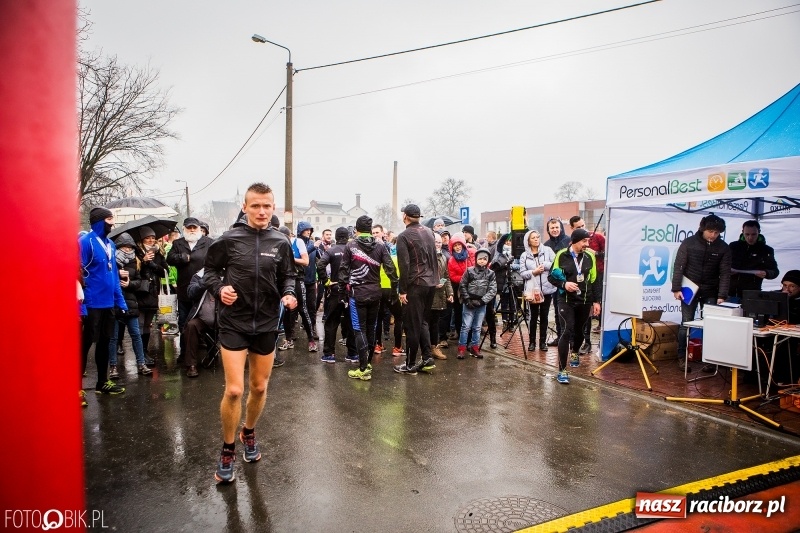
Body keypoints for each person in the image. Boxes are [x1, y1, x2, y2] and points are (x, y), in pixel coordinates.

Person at [203, 182, 297, 484]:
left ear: (273, 208)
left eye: (266, 205)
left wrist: (289, 293)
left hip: (267, 323)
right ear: (245, 207)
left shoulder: (280, 241)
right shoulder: (229, 240)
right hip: (234, 322)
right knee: (234, 390)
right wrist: (220, 290)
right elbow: (209, 273)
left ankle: (249, 431)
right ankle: (228, 448)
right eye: (255, 205)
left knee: (258, 387)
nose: (261, 211)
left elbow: (288, 275)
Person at [339, 215, 398, 380]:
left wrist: (342, 293)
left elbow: (343, 271)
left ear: (356, 230)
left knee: (359, 330)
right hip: (375, 293)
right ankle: (367, 362)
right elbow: (391, 269)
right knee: (371, 328)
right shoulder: (380, 245)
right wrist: (394, 291)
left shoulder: (351, 245)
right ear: (370, 230)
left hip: (357, 295)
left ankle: (363, 368)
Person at [671, 214, 731, 372]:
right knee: (686, 323)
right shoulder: (689, 243)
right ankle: (682, 357)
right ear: (702, 229)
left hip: (711, 289)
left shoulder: (724, 248)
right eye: (710, 231)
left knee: (711, 326)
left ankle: (711, 360)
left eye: (717, 233)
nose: (713, 235)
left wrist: (721, 295)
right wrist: (676, 288)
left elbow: (725, 273)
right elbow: (679, 267)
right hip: (689, 288)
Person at [79, 207, 127, 396]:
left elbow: (114, 276)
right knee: (85, 343)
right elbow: (77, 274)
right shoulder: (85, 242)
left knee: (106, 343)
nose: (112, 223)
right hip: (91, 303)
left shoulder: (111, 245)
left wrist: (120, 302)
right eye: (108, 219)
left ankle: (102, 382)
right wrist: (80, 305)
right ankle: (77, 388)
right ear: (99, 222)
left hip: (108, 303)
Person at [548, 228, 601, 384]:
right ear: (574, 241)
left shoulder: (590, 256)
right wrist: (564, 284)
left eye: (588, 241)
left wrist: (596, 301)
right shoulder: (562, 255)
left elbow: (594, 281)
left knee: (579, 331)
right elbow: (552, 277)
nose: (587, 244)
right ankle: (562, 370)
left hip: (584, 299)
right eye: (584, 241)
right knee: (566, 330)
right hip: (566, 300)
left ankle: (575, 351)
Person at [394, 204, 439, 374]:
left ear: (405, 216)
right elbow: (434, 257)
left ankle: (410, 364)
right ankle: (427, 358)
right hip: (430, 283)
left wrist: (402, 290)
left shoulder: (404, 236)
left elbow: (404, 265)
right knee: (423, 322)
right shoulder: (429, 232)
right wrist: (435, 279)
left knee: (412, 325)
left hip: (416, 284)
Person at [108, 232, 152, 378]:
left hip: (131, 303)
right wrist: (116, 275)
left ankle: (141, 364)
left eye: (129, 247)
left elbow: (139, 281)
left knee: (136, 335)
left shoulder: (136, 261)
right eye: (124, 247)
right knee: (113, 337)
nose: (127, 250)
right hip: (114, 303)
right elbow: (106, 281)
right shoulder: (110, 261)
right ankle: (113, 367)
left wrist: (129, 283)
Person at [167, 217, 213, 333]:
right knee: (184, 322)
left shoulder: (209, 242)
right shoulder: (178, 243)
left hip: (204, 290)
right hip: (184, 290)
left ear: (199, 228)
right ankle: (185, 349)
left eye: (194, 227)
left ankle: (206, 347)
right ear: (184, 229)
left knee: (206, 320)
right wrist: (181, 257)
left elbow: (217, 260)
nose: (192, 230)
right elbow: (169, 259)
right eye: (189, 227)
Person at [317, 227, 355, 363]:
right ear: (348, 236)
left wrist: (326, 282)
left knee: (332, 322)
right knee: (351, 322)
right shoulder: (354, 250)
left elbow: (320, 265)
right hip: (351, 291)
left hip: (335, 291)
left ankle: (329, 354)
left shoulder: (331, 250)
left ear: (336, 236)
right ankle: (352, 353)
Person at [135, 226, 169, 365]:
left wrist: (153, 264)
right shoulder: (136, 252)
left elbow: (165, 271)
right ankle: (140, 354)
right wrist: (143, 261)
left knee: (147, 324)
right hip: (140, 292)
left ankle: (145, 351)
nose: (151, 240)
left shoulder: (159, 253)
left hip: (153, 293)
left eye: (153, 238)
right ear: (142, 240)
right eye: (147, 238)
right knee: (140, 324)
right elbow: (133, 272)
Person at [519, 229, 556, 352]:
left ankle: (542, 342)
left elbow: (556, 265)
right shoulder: (524, 255)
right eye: (533, 238)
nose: (536, 239)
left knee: (544, 317)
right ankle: (532, 342)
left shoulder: (548, 251)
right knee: (533, 317)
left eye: (537, 237)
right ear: (528, 241)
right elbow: (522, 273)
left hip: (547, 288)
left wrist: (545, 265)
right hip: (532, 290)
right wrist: (533, 272)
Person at [457, 247, 497, 359]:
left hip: (481, 304)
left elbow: (492, 289)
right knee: (465, 326)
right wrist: (467, 300)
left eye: (485, 259)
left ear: (488, 260)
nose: (482, 261)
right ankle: (461, 348)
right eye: (480, 259)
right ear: (476, 259)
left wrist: (482, 301)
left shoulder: (491, 274)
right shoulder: (469, 271)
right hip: (469, 303)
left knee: (477, 327)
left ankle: (475, 347)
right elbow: (462, 285)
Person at [729, 220, 779, 299]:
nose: (750, 238)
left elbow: (775, 271)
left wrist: (766, 273)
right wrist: (726, 270)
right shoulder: (733, 246)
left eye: (753, 234)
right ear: (742, 232)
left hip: (752, 293)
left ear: (759, 232)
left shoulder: (766, 250)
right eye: (747, 234)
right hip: (731, 292)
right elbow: (722, 264)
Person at [182, 268, 217, 377]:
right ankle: (191, 365)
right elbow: (190, 293)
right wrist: (205, 282)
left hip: (224, 319)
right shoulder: (198, 275)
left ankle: (235, 363)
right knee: (191, 326)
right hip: (203, 319)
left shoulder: (228, 273)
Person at [543, 218, 570, 346]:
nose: (554, 230)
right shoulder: (546, 244)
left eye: (556, 227)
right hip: (554, 283)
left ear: (561, 228)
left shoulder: (569, 241)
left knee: (570, 312)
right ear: (548, 230)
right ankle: (560, 337)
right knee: (558, 311)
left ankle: (570, 338)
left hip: (570, 282)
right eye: (552, 228)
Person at [447, 232, 476, 346]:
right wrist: (465, 278)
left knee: (472, 313)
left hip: (473, 288)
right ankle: (462, 338)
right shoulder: (451, 260)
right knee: (459, 313)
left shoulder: (471, 253)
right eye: (455, 245)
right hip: (458, 289)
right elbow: (452, 275)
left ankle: (472, 339)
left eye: (459, 244)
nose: (458, 247)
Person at [430, 232, 453, 359]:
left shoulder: (444, 257)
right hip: (428, 296)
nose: (437, 244)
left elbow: (446, 276)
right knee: (427, 323)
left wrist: (449, 292)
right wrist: (433, 284)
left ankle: (434, 347)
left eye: (439, 242)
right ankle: (428, 348)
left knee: (435, 323)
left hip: (439, 296)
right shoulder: (427, 257)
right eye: (435, 242)